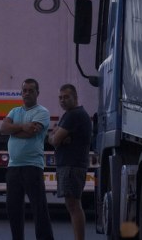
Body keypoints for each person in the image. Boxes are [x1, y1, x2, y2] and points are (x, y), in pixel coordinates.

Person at [0, 78, 54, 240]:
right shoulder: (15, 111)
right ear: (21, 93)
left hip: (32, 166)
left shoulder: (42, 112)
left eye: (31, 90)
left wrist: (14, 129)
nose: (27, 93)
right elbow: (3, 129)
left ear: (37, 93)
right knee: (13, 208)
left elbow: (30, 132)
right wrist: (23, 126)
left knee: (39, 209)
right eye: (25, 90)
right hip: (13, 167)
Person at [48, 84, 92, 240]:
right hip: (72, 165)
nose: (63, 100)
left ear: (75, 98)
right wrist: (57, 136)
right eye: (60, 97)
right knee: (73, 205)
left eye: (66, 97)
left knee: (73, 205)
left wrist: (55, 135)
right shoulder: (75, 115)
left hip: (71, 166)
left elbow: (54, 139)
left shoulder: (73, 115)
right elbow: (57, 137)